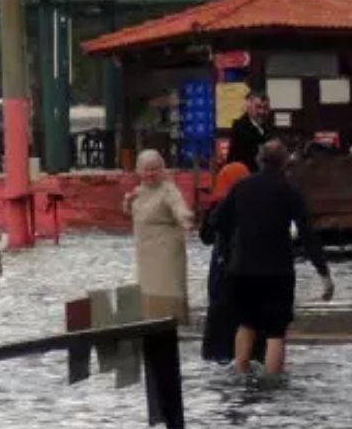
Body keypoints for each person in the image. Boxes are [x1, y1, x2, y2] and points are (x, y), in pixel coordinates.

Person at [209, 140, 335, 376]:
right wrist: (324, 274)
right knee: (276, 332)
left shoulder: (241, 187)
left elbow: (216, 221)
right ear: (285, 162)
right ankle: (272, 381)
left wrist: (231, 246)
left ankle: (240, 372)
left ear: (259, 160)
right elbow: (307, 235)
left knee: (246, 324)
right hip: (278, 271)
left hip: (242, 269)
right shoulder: (290, 192)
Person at [123, 149, 194, 323]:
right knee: (147, 290)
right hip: (146, 250)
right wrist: (127, 202)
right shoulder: (138, 192)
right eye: (146, 169)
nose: (150, 173)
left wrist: (185, 219)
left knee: (167, 289)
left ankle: (172, 325)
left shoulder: (168, 190)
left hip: (166, 251)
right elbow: (129, 211)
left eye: (155, 169)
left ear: (162, 169)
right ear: (139, 171)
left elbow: (179, 207)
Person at [199, 160, 251, 362]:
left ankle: (219, 353)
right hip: (248, 266)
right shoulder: (252, 202)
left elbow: (206, 236)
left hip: (222, 263)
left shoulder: (218, 204)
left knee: (220, 309)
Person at [228, 91, 272, 173]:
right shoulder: (241, 128)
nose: (262, 112)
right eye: (258, 107)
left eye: (265, 108)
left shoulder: (267, 127)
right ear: (249, 108)